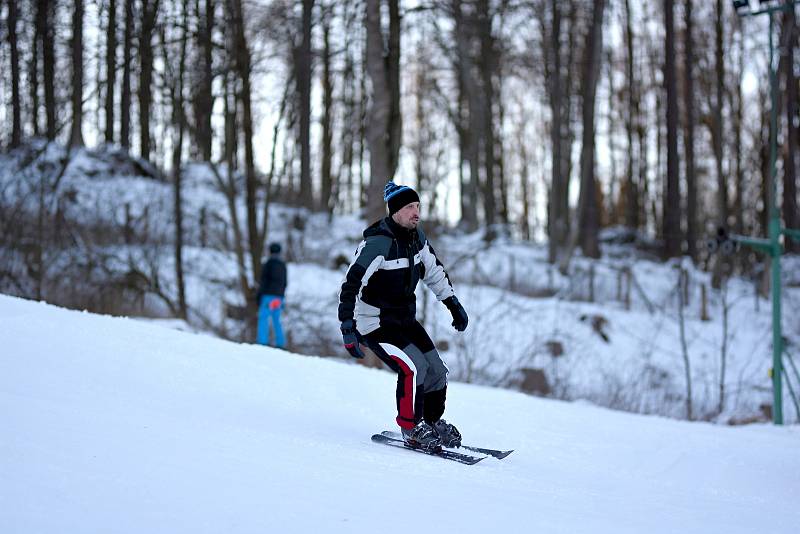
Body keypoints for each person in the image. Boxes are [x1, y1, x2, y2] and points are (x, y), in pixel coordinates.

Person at [338, 181, 469, 451]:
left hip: (404, 321)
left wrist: (453, 303)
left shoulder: (416, 239)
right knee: (413, 367)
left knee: (436, 371)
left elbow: (434, 272)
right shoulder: (377, 244)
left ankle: (431, 422)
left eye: (418, 206)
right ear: (395, 210)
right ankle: (410, 428)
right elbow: (351, 284)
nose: (416, 212)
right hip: (374, 324)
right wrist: (347, 326)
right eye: (410, 207)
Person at [257, 242, 287, 348]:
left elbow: (263, 281)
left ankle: (262, 342)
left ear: (270, 251)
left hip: (268, 296)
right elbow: (285, 282)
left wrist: (259, 295)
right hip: (278, 297)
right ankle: (281, 343)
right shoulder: (283, 265)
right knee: (276, 319)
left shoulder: (268, 264)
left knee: (263, 318)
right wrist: (282, 297)